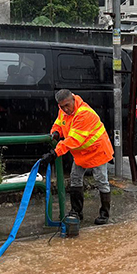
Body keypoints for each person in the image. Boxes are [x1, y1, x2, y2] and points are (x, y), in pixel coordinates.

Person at [41, 89, 114, 225]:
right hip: (82, 153)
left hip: (97, 151)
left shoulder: (84, 114)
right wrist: (55, 132)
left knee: (101, 181)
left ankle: (104, 214)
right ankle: (76, 212)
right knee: (75, 179)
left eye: (67, 105)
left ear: (73, 100)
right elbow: (59, 124)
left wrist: (55, 153)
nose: (65, 109)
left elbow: (74, 140)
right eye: (62, 107)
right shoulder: (63, 110)